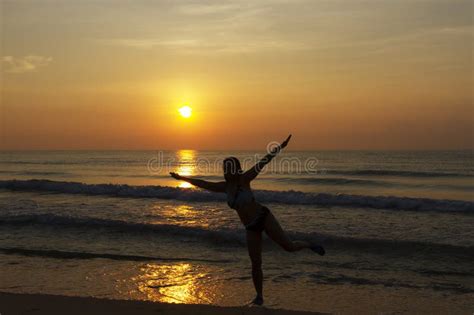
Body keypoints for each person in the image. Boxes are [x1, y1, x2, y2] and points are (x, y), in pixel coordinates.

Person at [170, 134, 325, 306]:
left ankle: (309, 245)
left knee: (289, 247)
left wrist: (280, 147)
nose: (226, 170)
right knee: (256, 262)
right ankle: (259, 297)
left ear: (236, 168)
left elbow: (264, 162)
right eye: (225, 167)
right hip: (250, 227)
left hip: (263, 217)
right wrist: (181, 178)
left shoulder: (245, 179)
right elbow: (202, 183)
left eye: (229, 167)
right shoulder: (224, 187)